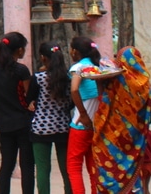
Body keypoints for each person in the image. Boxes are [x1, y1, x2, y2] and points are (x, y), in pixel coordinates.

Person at [91, 46, 151, 194]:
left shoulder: (117, 78)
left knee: (109, 167)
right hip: (133, 138)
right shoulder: (144, 82)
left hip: (110, 136)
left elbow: (104, 102)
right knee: (131, 167)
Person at [0, 31, 34, 194]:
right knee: (27, 164)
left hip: (3, 122)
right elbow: (27, 96)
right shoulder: (21, 70)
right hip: (22, 121)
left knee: (6, 164)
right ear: (19, 50)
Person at [26, 41, 73, 194]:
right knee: (67, 169)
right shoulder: (69, 78)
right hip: (63, 127)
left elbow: (29, 99)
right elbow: (72, 102)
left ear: (43, 58)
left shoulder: (39, 77)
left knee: (43, 169)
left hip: (41, 128)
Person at [64, 36, 102, 194]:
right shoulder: (98, 68)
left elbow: (74, 90)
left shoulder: (78, 67)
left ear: (75, 51)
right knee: (93, 166)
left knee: (73, 166)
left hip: (80, 125)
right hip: (96, 125)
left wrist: (83, 114)